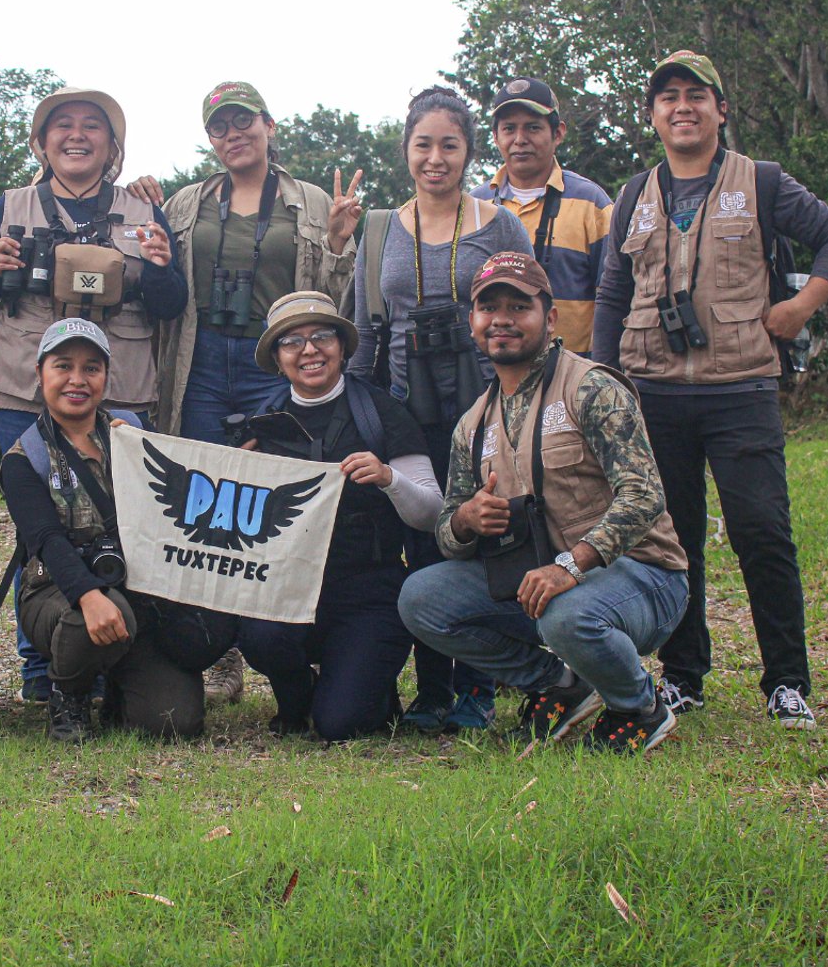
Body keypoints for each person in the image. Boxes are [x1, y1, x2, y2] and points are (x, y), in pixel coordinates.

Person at [592, 51, 828, 729]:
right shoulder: (633, 195)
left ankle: (787, 680)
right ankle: (684, 675)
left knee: (762, 530)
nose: (682, 107)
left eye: (695, 96)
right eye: (668, 98)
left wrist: (800, 308)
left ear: (720, 109)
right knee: (674, 540)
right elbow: (611, 295)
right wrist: (605, 387)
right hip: (654, 392)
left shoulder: (763, 183)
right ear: (652, 116)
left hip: (742, 388)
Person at [400, 252, 691, 754]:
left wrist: (570, 566)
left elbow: (644, 495)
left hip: (643, 577)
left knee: (567, 616)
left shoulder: (592, 387)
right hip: (540, 582)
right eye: (489, 308)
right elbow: (449, 531)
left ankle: (640, 705)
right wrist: (468, 521)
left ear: (549, 318)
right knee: (421, 598)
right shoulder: (472, 423)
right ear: (472, 322)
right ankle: (561, 683)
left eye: (520, 306)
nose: (503, 320)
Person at [0, 88, 187, 701]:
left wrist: (163, 268)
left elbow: (171, 305)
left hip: (122, 390)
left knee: (125, 520)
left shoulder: (143, 212)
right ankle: (42, 669)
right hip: (24, 388)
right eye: (62, 126)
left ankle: (116, 662)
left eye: (93, 126)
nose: (77, 135)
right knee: (41, 525)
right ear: (41, 141)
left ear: (113, 145)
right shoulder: (10, 207)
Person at [348, 86, 531, 732]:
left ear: (468, 152)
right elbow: (366, 333)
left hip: (484, 408)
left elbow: (529, 312)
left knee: (483, 542)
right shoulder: (378, 231)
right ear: (406, 150)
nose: (435, 158)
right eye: (423, 144)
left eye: (449, 145)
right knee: (421, 545)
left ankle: (478, 686)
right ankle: (430, 690)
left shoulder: (500, 224)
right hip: (405, 413)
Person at [1, 319, 230, 742]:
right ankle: (68, 695)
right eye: (62, 366)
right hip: (58, 593)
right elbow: (47, 541)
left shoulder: (134, 433)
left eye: (91, 368)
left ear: (106, 375)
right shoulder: (24, 458)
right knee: (99, 614)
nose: (77, 379)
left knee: (174, 723)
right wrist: (89, 596)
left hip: (138, 592)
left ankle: (121, 693)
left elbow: (184, 506)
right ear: (39, 373)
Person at [234, 292, 441, 741]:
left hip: (368, 590)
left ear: (343, 347)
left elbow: (432, 512)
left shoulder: (382, 413)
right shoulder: (259, 423)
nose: (309, 350)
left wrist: (389, 478)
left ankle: (363, 690)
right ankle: (296, 696)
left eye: (322, 336)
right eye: (292, 342)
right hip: (287, 590)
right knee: (258, 635)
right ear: (277, 358)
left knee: (340, 725)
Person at [153, 82, 364, 443]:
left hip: (275, 356)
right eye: (219, 128)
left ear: (269, 125)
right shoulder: (184, 203)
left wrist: (338, 242)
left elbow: (338, 300)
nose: (232, 134)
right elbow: (160, 284)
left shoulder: (313, 201)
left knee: (274, 465)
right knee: (200, 468)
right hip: (200, 358)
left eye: (242, 120)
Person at [468, 77, 613, 356]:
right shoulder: (474, 205)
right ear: (496, 137)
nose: (520, 139)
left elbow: (613, 299)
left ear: (557, 133)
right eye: (509, 129)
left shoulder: (592, 204)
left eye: (533, 128)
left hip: (573, 377)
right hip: (490, 380)